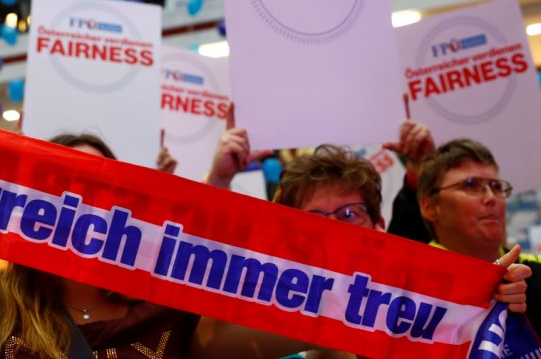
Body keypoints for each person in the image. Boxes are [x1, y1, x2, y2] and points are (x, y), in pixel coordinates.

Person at [0, 133, 326, 358]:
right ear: (33, 209)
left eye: (103, 186)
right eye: (67, 186)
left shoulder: (170, 308)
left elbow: (319, 314)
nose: (84, 204)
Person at [204, 118, 530, 358]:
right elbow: (201, 344)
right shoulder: (257, 329)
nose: (333, 229)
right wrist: (217, 183)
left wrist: (491, 297)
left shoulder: (421, 318)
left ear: (379, 227)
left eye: (349, 215)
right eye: (313, 218)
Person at [418, 137, 541, 337]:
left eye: (496, 186)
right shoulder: (407, 285)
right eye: (470, 184)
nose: (491, 198)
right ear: (430, 207)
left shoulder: (533, 274)